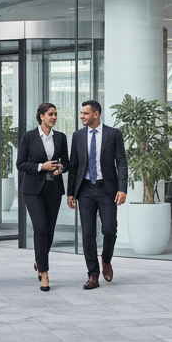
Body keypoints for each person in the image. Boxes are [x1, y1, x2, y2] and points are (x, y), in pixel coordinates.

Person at [67, 100, 128, 290]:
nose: (81, 116)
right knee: (88, 234)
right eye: (81, 113)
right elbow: (74, 166)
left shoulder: (113, 134)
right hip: (85, 190)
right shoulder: (77, 136)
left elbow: (122, 163)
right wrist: (71, 193)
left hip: (106, 189)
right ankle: (92, 274)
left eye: (85, 113)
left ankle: (106, 260)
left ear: (96, 114)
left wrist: (122, 188)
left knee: (109, 229)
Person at [17, 102, 70, 292]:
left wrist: (61, 168)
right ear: (41, 116)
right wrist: (41, 167)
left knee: (49, 230)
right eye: (50, 114)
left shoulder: (61, 138)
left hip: (53, 189)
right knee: (40, 228)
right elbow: (20, 164)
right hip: (33, 190)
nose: (54, 117)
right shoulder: (29, 137)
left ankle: (39, 260)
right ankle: (45, 273)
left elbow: (67, 163)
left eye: (55, 114)